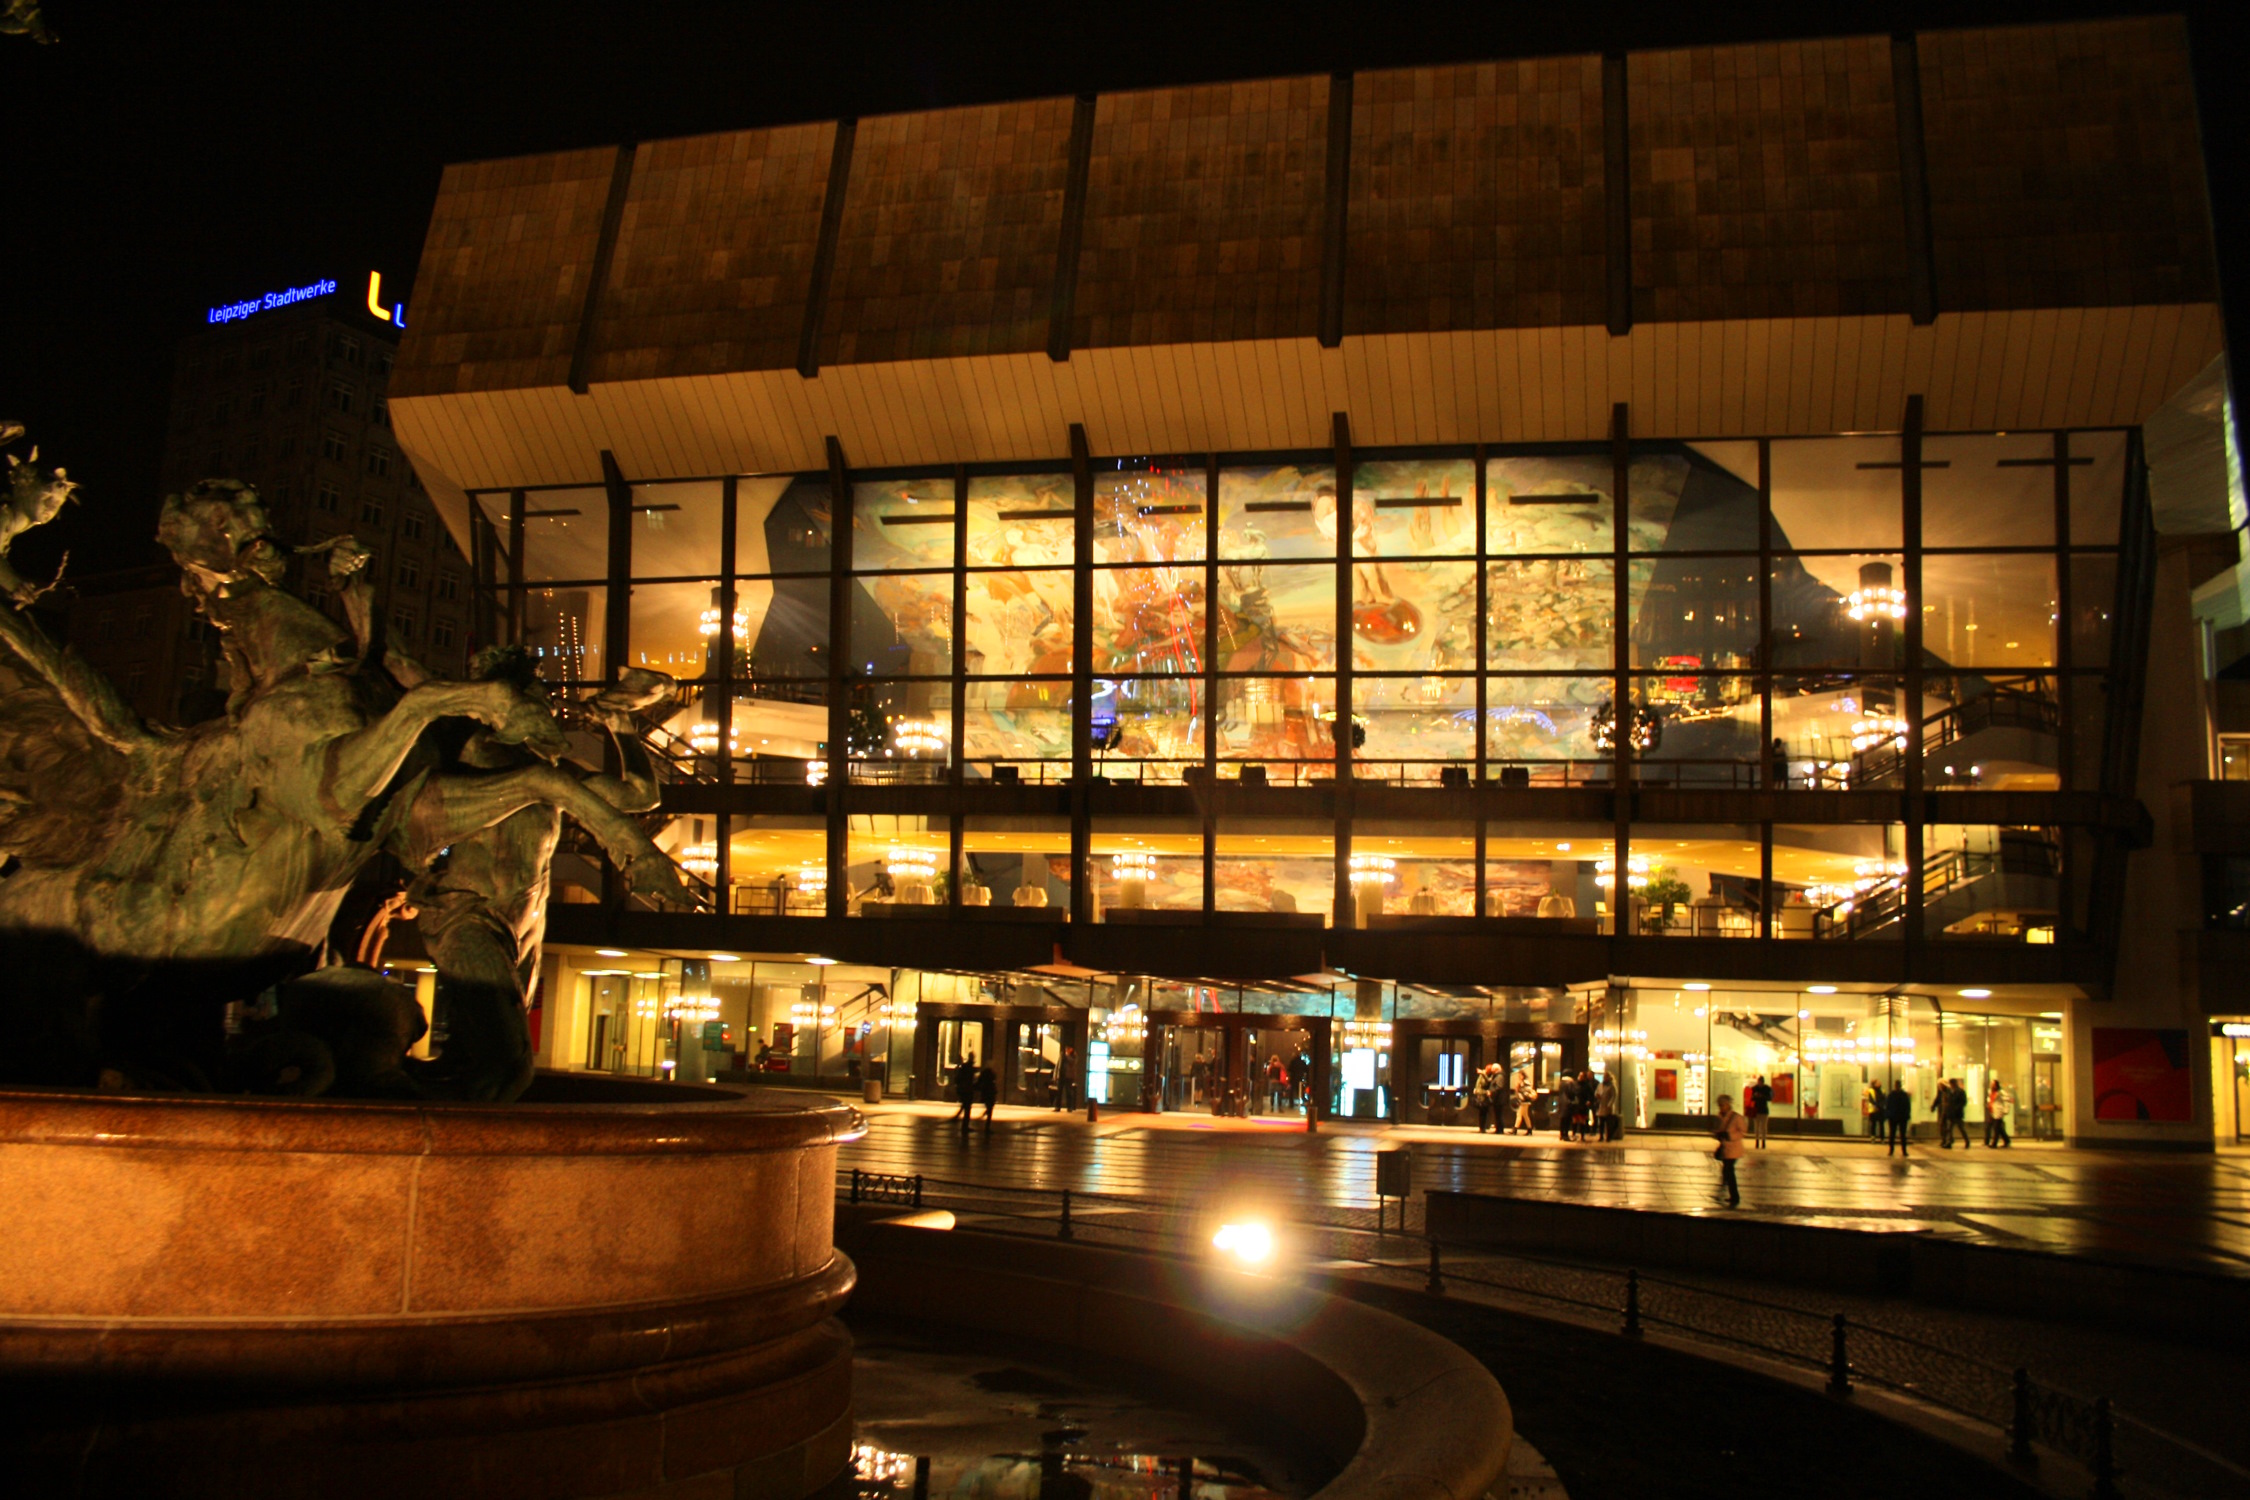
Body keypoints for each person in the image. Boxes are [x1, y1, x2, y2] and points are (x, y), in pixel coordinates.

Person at [1713, 1093, 1747, 1206]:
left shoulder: (1736, 1117)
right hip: (1725, 1148)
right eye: (1720, 1105)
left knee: (1729, 1171)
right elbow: (1719, 1129)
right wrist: (1718, 1135)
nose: (1721, 1107)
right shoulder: (1720, 1117)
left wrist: (1730, 1136)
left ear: (1728, 1104)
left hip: (1734, 1149)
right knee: (1727, 1171)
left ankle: (1735, 1196)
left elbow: (1743, 1132)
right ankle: (1733, 1195)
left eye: (1723, 1105)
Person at [1884, 1077, 1911, 1156]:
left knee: (1894, 1134)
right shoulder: (1903, 1095)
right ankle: (1902, 1151)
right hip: (1900, 1117)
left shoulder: (1892, 1095)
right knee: (1901, 1134)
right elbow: (1907, 1106)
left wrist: (1888, 1115)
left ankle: (1893, 1150)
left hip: (1895, 1117)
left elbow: (1888, 1105)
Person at [952, 1055, 978, 1135]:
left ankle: (959, 1121)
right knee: (967, 1108)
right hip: (967, 1090)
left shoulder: (965, 1067)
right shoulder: (969, 1068)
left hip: (965, 1090)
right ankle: (964, 1126)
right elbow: (970, 1080)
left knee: (965, 1106)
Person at [1986, 1077, 2013, 1148]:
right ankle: (2007, 1140)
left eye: (1993, 1084)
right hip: (1992, 1111)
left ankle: (1994, 1143)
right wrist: (1988, 1104)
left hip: (1999, 1112)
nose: (1992, 1085)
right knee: (1998, 1128)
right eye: (1991, 1084)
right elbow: (1989, 1099)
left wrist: (2005, 1110)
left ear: (1996, 1085)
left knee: (1996, 1128)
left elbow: (2007, 1100)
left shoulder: (2001, 1092)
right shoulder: (1990, 1091)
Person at [1748, 1074, 1773, 1149]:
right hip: (1757, 1110)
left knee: (1763, 1127)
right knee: (1757, 1127)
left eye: (1760, 1082)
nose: (1759, 1083)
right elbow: (1751, 1098)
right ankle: (1757, 1141)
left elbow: (1769, 1098)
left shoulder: (1766, 1088)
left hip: (1763, 1110)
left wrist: (1761, 1096)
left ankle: (1763, 1141)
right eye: (1759, 1082)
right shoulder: (1754, 1088)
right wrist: (1755, 1096)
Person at [1554, 1071, 1579, 1142]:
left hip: (1561, 1102)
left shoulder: (1561, 1082)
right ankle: (1566, 1135)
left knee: (1562, 1119)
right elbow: (1572, 1092)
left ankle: (1562, 1134)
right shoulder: (1570, 1083)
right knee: (1567, 1120)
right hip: (1568, 1103)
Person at [1470, 1064, 1495, 1133]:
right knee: (1481, 1113)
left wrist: (1483, 1073)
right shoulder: (1482, 1074)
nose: (1486, 1071)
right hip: (1479, 1094)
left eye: (1488, 1070)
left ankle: (1484, 1126)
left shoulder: (1489, 1075)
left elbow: (1488, 1082)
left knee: (1484, 1112)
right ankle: (1481, 1127)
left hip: (1484, 1096)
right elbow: (1478, 1083)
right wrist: (1476, 1089)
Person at [1594, 1073, 1618, 1143]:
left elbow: (1614, 1096)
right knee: (1601, 1122)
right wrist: (1597, 1095)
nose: (1604, 1078)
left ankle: (1608, 1137)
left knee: (1608, 1123)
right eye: (1604, 1077)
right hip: (1601, 1105)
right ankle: (1601, 1136)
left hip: (1608, 1107)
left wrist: (1610, 1104)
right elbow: (1596, 1092)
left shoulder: (1612, 1086)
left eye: (1605, 1077)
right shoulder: (1600, 1085)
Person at [1053, 1046, 1078, 1111]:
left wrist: (1067, 1056)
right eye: (1066, 1048)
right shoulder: (1062, 1055)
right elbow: (1058, 1064)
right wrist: (1055, 1075)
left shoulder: (1073, 1056)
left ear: (1071, 1049)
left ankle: (1069, 1107)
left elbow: (1073, 1063)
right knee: (1059, 1092)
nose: (1067, 1050)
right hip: (1061, 1075)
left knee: (1069, 1092)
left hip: (1069, 1076)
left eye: (1069, 1049)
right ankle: (1057, 1107)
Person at [1510, 1071, 1536, 1135]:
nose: (1519, 1076)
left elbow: (1525, 1091)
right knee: (1525, 1115)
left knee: (1519, 1115)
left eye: (1520, 1075)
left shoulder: (1525, 1082)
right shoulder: (1524, 1082)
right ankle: (1529, 1129)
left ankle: (1515, 1129)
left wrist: (1519, 1088)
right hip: (1524, 1101)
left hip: (1524, 1101)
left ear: (1523, 1075)